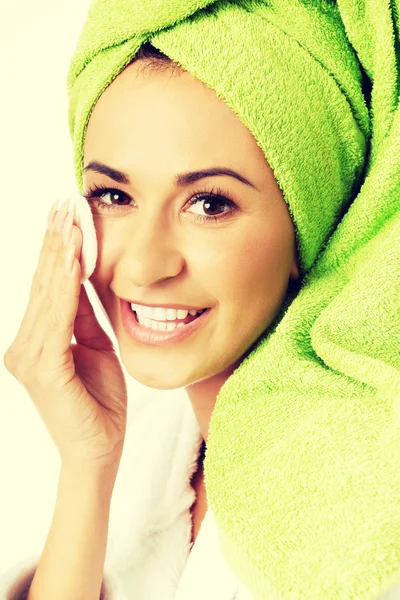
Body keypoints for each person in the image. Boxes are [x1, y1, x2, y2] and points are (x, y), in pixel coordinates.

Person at [2, 0, 399, 598]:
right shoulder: (153, 441)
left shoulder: (363, 503)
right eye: (113, 195)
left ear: (307, 225)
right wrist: (88, 466)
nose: (142, 265)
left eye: (210, 203)